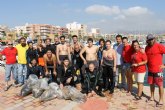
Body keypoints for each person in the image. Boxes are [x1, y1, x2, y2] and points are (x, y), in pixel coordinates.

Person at [145, 34, 165, 106]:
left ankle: (161, 100)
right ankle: (152, 97)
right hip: (150, 70)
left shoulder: (159, 46)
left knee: (160, 85)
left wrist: (164, 65)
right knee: (151, 84)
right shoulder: (146, 48)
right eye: (149, 40)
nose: (151, 41)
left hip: (159, 71)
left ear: (154, 39)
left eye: (152, 39)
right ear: (147, 41)